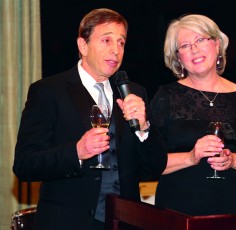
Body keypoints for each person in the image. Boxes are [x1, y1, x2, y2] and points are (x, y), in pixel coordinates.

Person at [13, 8, 167, 230]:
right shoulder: (48, 91)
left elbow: (155, 166)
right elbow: (25, 164)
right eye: (106, 40)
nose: (116, 50)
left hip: (123, 222)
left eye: (121, 43)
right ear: (82, 46)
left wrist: (144, 129)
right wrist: (76, 152)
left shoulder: (134, 93)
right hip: (68, 222)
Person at [150, 14, 236, 216]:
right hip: (177, 216)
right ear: (178, 58)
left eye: (200, 40)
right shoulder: (166, 97)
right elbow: (147, 162)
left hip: (231, 214)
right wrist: (191, 157)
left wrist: (235, 160)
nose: (194, 49)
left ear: (217, 45)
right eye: (184, 45)